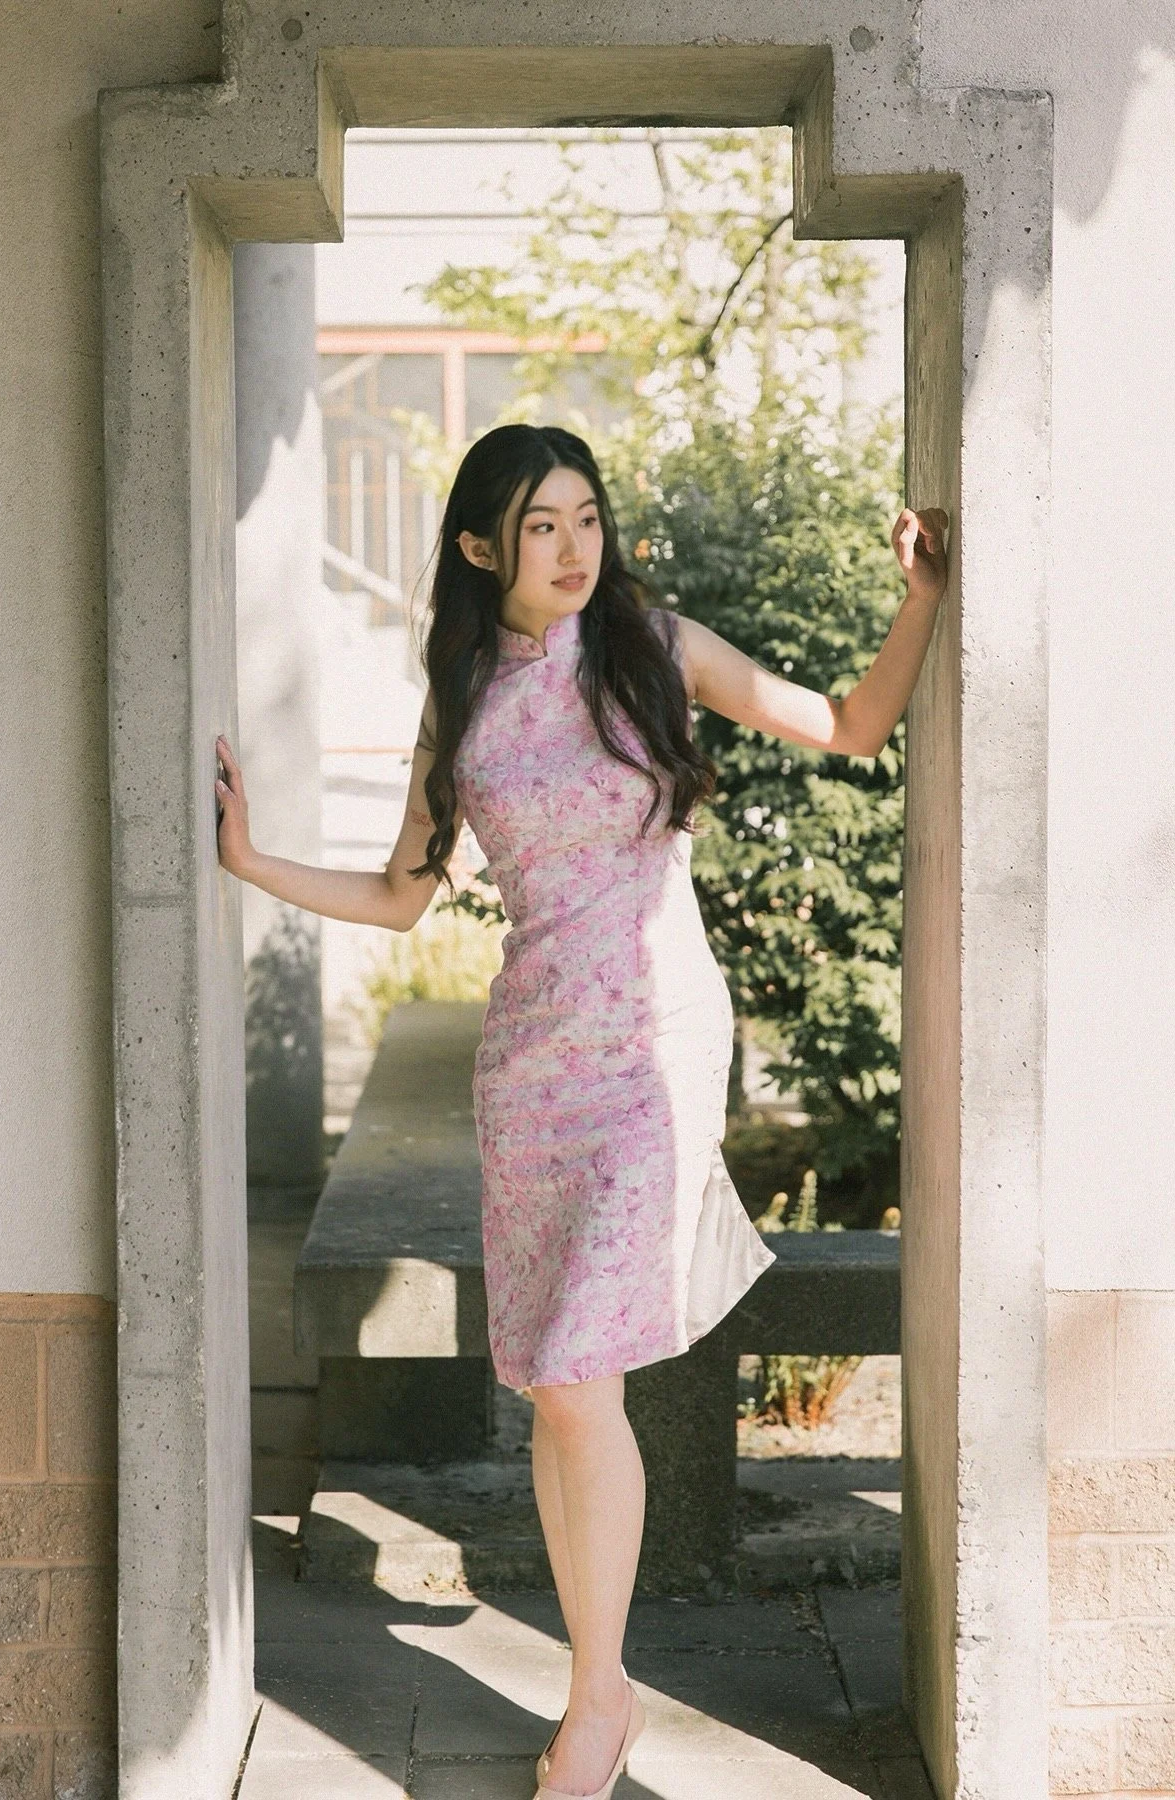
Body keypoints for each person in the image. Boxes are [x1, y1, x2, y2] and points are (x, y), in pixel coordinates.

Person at [216, 422, 948, 1800]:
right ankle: (595, 1682)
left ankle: (599, 1698)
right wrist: (252, 861)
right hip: (532, 1057)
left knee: (576, 1377)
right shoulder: (464, 696)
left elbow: (848, 726)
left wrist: (920, 596)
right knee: (560, 1389)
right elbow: (401, 893)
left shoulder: (656, 647)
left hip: (658, 1045)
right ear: (481, 546)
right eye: (542, 524)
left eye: (588, 517)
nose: (574, 546)